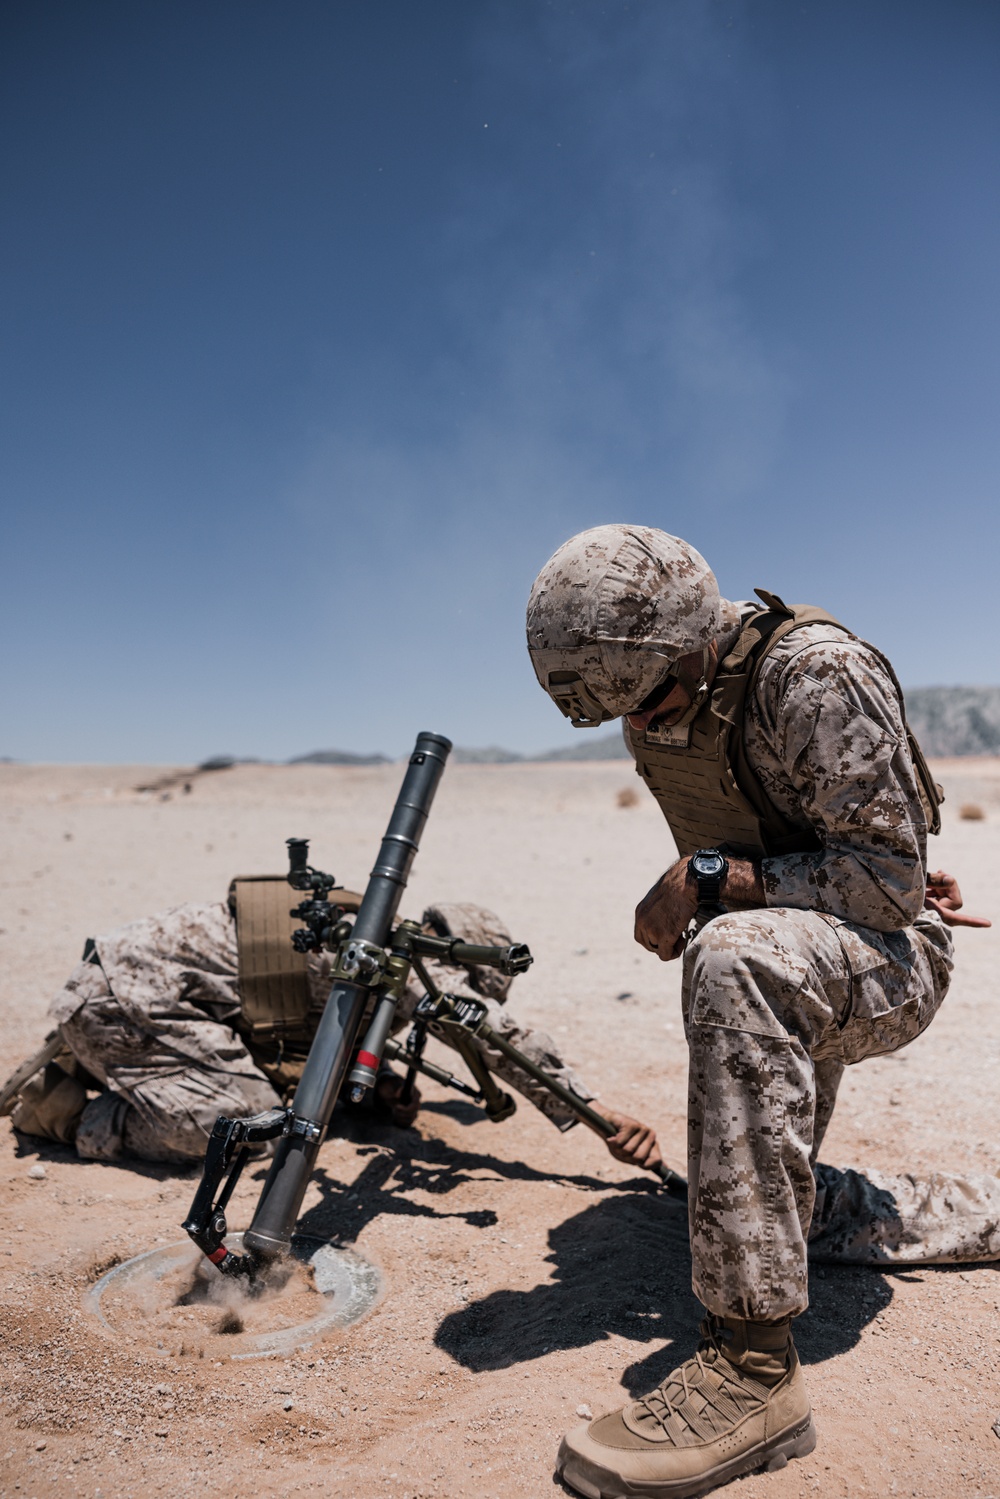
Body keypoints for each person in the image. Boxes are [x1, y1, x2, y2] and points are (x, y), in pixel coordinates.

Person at [526, 524, 998, 1499]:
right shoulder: (664, 693)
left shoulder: (814, 676)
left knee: (734, 954)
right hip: (810, 937)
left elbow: (885, 883)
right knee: (764, 1201)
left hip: (891, 951)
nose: (644, 726)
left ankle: (751, 1370)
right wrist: (740, 884)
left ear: (697, 641)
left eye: (652, 699)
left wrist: (707, 880)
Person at [6, 879, 660, 1174]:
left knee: (272, 1104)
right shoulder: (399, 957)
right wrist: (598, 1113)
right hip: (126, 1000)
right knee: (246, 1127)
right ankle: (72, 1116)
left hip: (144, 992)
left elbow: (296, 1031)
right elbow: (494, 1033)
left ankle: (112, 1059)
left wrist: (370, 1092)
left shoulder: (365, 939)